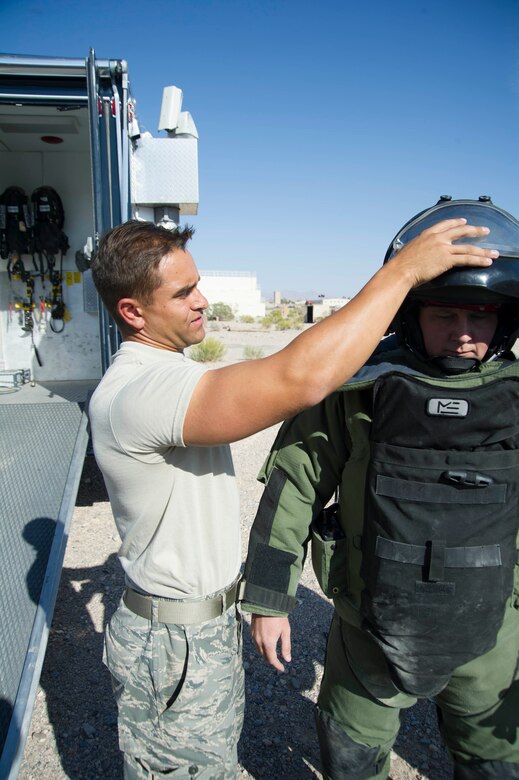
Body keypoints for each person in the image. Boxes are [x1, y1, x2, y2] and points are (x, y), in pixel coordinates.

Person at [88, 214, 496, 780]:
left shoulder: (164, 372)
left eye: (198, 283)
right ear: (133, 312)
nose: (203, 300)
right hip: (173, 641)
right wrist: (402, 274)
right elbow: (298, 381)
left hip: (195, 630)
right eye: (184, 293)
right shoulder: (143, 393)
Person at [241, 196, 519, 780]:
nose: (463, 335)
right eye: (444, 314)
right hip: (370, 621)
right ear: (410, 312)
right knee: (352, 755)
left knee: (495, 763)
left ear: (506, 319)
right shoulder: (359, 389)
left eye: (481, 316)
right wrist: (269, 601)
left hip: (495, 633)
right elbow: (293, 489)